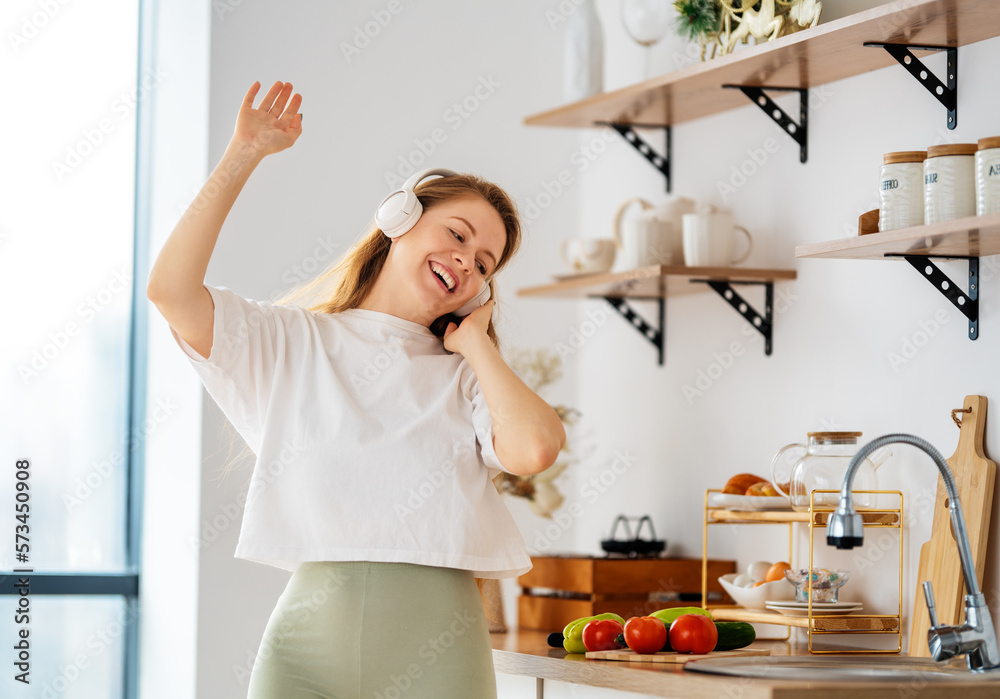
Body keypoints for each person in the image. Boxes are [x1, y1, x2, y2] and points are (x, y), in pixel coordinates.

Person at [146, 80, 565, 698]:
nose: (466, 261)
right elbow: (171, 291)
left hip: (440, 653)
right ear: (401, 218)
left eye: (484, 263)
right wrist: (243, 154)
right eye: (458, 234)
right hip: (305, 653)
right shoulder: (291, 342)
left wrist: (476, 343)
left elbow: (535, 451)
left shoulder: (466, 377)